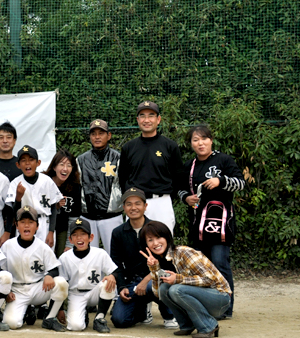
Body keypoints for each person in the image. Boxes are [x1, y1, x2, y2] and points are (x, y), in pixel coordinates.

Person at [178, 125, 245, 319]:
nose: (200, 143)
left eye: (204, 139)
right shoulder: (189, 165)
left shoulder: (224, 160)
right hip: (197, 224)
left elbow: (240, 183)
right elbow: (179, 188)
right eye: (195, 140)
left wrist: (220, 181)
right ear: (191, 144)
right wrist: (186, 198)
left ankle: (226, 308)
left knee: (220, 263)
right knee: (201, 266)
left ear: (211, 140)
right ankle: (208, 306)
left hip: (221, 223)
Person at [140, 221, 231, 338]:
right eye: (150, 240)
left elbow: (209, 280)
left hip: (220, 298)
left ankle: (208, 326)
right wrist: (154, 268)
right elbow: (158, 294)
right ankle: (187, 325)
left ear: (167, 237)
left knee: (176, 290)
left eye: (158, 237)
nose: (155, 243)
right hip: (203, 297)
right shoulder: (160, 259)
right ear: (146, 244)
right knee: (164, 289)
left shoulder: (183, 252)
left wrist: (177, 279)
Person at [109, 188, 177, 329]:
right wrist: (122, 287)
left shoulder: (157, 228)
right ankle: (142, 311)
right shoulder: (118, 233)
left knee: (153, 285)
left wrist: (146, 280)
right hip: (133, 282)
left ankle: (169, 315)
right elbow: (116, 264)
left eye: (138, 203)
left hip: (157, 278)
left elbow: (167, 261)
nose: (133, 208)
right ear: (124, 208)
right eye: (129, 204)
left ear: (145, 206)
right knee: (119, 320)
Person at [118, 101, 182, 232]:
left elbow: (178, 176)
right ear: (138, 120)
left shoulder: (170, 146)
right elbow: (122, 177)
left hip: (161, 203)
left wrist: (167, 195)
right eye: (142, 116)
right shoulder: (128, 147)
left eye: (151, 115)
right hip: (135, 203)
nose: (146, 120)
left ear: (158, 119)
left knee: (163, 241)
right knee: (134, 242)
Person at [0, 206, 67, 331]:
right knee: (12, 323)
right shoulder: (7, 246)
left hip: (38, 289)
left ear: (37, 226)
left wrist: (49, 275)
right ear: (16, 225)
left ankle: (50, 318)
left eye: (31, 222)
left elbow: (54, 268)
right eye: (22, 222)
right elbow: (1, 273)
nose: (26, 226)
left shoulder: (43, 247)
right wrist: (6, 291)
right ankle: (26, 310)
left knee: (61, 283)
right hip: (17, 291)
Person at [58, 218, 117, 333]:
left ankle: (99, 318)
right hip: (75, 294)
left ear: (91, 237)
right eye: (75, 235)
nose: (79, 238)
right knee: (76, 326)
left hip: (95, 292)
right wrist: (60, 309)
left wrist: (112, 276)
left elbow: (115, 271)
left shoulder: (100, 253)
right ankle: (82, 313)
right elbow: (61, 285)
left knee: (108, 282)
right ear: (70, 239)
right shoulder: (64, 258)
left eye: (83, 234)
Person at [76, 119, 123, 253]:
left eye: (101, 133)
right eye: (93, 134)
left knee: (115, 255)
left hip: (112, 216)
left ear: (109, 135)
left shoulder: (118, 158)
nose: (97, 137)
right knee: (89, 256)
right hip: (87, 217)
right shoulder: (81, 160)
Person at [6, 146, 62, 247]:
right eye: (23, 160)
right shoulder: (15, 183)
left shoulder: (47, 181)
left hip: (44, 223)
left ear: (38, 163)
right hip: (24, 224)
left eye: (31, 160)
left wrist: (51, 231)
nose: (27, 163)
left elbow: (54, 208)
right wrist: (18, 198)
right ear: (18, 165)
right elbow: (13, 213)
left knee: (45, 254)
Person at [46, 149, 82, 255]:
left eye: (69, 165)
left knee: (62, 256)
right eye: (61, 164)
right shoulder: (45, 181)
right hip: (43, 226)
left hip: (63, 228)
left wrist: (69, 245)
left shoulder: (75, 187)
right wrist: (55, 206)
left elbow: (74, 217)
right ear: (54, 167)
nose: (65, 169)